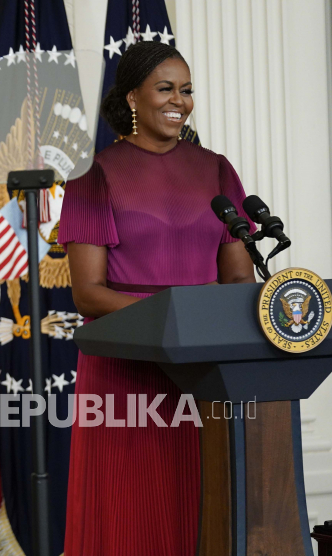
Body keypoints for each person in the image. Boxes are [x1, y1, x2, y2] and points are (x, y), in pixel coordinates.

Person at [58, 41, 256, 555]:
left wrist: (202, 325)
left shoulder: (215, 169)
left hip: (206, 371)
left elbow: (238, 280)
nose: (180, 101)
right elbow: (89, 292)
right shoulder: (93, 176)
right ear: (131, 99)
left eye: (186, 90)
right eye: (165, 88)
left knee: (203, 507)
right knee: (130, 516)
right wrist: (178, 318)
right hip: (128, 372)